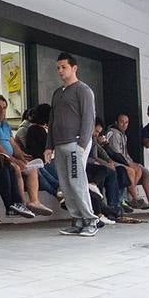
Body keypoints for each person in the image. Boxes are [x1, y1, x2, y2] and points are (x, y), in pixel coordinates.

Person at [50, 53, 100, 237]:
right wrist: (49, 146)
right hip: (60, 145)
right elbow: (52, 120)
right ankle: (77, 220)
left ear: (74, 68)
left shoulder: (83, 90)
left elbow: (89, 119)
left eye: (63, 67)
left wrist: (82, 144)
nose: (60, 71)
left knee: (76, 181)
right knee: (65, 184)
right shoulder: (57, 93)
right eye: (58, 68)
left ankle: (90, 219)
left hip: (75, 144)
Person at [102, 114, 149, 211]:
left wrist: (132, 162)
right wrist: (128, 163)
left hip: (123, 160)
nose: (124, 124)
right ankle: (134, 198)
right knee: (132, 170)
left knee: (143, 172)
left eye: (126, 122)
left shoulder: (123, 135)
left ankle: (144, 199)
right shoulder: (113, 133)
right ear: (116, 122)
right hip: (113, 161)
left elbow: (125, 154)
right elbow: (115, 154)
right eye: (122, 122)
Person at [12, 103, 55, 215]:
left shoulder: (36, 129)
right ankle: (59, 192)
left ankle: (59, 192)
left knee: (41, 172)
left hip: (36, 160)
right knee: (40, 171)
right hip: (38, 160)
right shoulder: (35, 130)